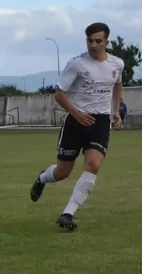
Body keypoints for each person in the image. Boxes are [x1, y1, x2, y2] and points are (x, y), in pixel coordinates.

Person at [29, 22, 124, 231]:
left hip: (99, 122)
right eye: (90, 40)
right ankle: (43, 178)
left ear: (107, 42)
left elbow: (117, 86)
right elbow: (59, 94)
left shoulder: (117, 64)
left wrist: (116, 111)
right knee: (63, 172)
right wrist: (77, 114)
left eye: (98, 41)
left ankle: (67, 214)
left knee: (93, 164)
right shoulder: (76, 64)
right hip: (75, 121)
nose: (93, 45)